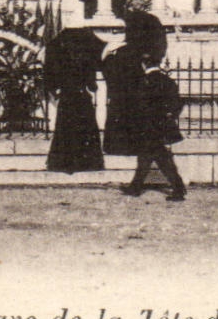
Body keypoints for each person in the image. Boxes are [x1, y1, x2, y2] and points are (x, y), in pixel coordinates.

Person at [121, 43, 187, 201]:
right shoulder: (168, 81)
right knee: (148, 157)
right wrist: (170, 116)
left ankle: (178, 189)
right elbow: (178, 103)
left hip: (147, 127)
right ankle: (135, 187)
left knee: (159, 158)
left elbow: (138, 106)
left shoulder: (143, 82)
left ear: (144, 64)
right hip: (162, 126)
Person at [101, 13, 164, 160]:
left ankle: (117, 147)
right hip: (136, 97)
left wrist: (108, 56)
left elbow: (108, 71)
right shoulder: (142, 54)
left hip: (120, 96)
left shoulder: (119, 51)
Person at [43, 26, 105, 174]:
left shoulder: (58, 45)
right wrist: (91, 83)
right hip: (82, 95)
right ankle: (87, 162)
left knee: (65, 128)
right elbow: (92, 83)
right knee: (86, 128)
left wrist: (55, 88)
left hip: (66, 96)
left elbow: (50, 77)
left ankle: (64, 163)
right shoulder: (85, 48)